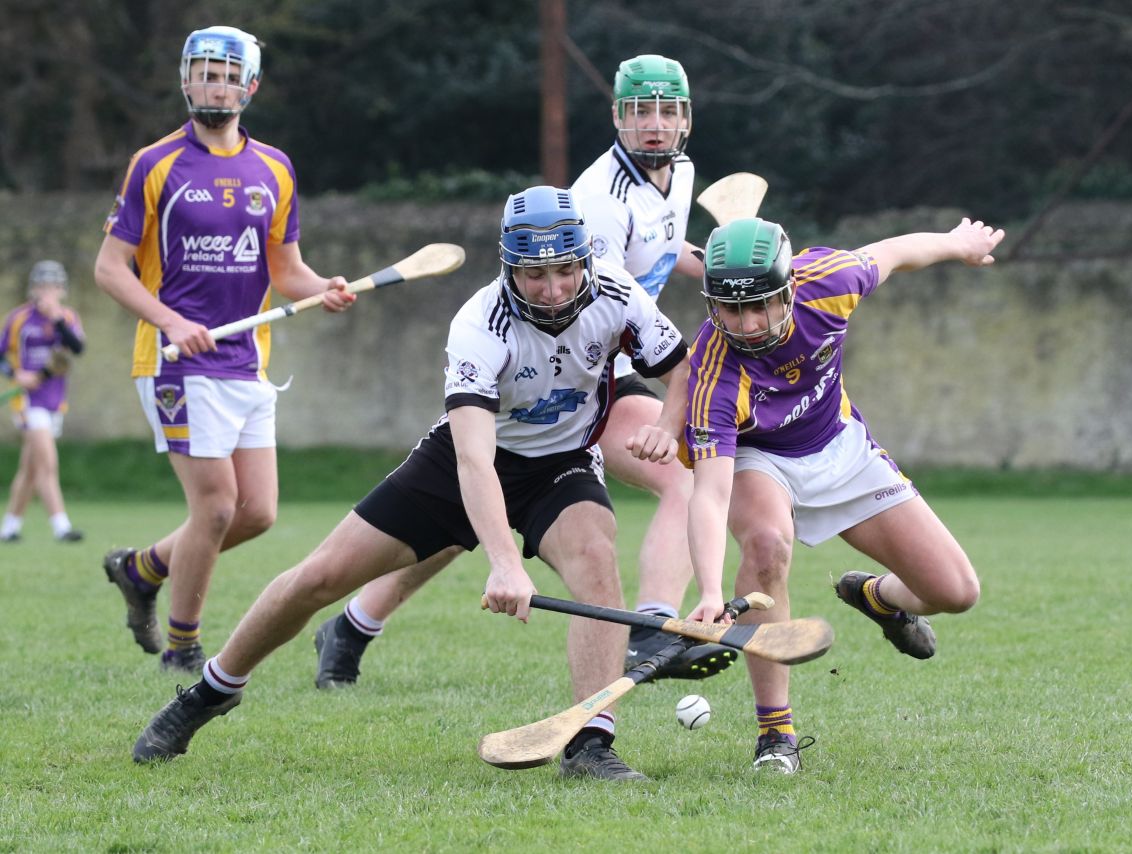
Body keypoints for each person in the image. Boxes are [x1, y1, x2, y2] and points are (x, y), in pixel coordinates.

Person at [131, 186, 691, 781]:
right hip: (462, 461)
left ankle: (590, 745)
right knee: (318, 577)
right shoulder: (481, 324)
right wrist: (504, 562)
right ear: (510, 267)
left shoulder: (616, 292)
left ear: (583, 258)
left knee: (597, 563)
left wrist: (667, 423)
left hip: (561, 464)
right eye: (534, 274)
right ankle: (212, 690)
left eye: (562, 270)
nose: (552, 289)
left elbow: (680, 365)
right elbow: (475, 461)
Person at [310, 54, 728, 689]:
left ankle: (354, 624)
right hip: (579, 370)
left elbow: (670, 251)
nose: (654, 125)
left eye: (667, 110)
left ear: (686, 117)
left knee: (466, 526)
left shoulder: (679, 174)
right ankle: (650, 630)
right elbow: (587, 292)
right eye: (640, 110)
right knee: (670, 478)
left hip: (609, 368)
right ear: (616, 115)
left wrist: (732, 262)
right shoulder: (598, 202)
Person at [682, 216, 1005, 774]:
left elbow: (896, 251)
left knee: (956, 591)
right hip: (762, 460)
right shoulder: (713, 374)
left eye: (761, 305)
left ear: (788, 290)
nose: (748, 323)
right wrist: (711, 591)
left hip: (841, 446)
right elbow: (710, 494)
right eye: (731, 309)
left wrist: (958, 245)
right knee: (765, 545)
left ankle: (880, 598)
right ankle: (775, 734)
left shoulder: (829, 281)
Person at [94, 26, 353, 674]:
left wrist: (326, 288)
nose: (214, 83)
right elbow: (110, 268)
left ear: (251, 86)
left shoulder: (274, 167)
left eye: (226, 73)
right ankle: (182, 648)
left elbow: (287, 269)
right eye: (203, 71)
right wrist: (170, 322)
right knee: (213, 507)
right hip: (177, 362)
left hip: (245, 360)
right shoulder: (155, 163)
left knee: (257, 512)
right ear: (184, 79)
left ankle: (141, 568)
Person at [1, 260, 86, 543]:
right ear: (32, 290)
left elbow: (77, 348)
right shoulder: (18, 319)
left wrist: (58, 319)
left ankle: (9, 527)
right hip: (26, 400)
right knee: (47, 463)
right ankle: (61, 526)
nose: (46, 292)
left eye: (53, 286)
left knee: (30, 469)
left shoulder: (68, 318)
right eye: (41, 286)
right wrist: (17, 374)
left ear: (62, 290)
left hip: (55, 399)